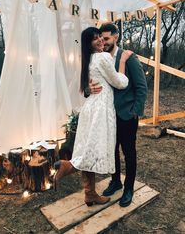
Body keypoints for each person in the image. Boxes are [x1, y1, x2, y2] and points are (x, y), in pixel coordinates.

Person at [53, 26, 132, 207]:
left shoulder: (87, 61)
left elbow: (89, 86)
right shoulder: (104, 57)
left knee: (87, 149)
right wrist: (123, 61)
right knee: (92, 152)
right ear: (88, 44)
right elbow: (120, 83)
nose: (100, 41)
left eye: (101, 37)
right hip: (100, 110)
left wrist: (89, 89)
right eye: (95, 38)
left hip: (89, 109)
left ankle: (90, 194)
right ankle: (68, 166)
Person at [89, 23, 147, 207]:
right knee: (111, 150)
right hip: (107, 116)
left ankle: (129, 188)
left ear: (116, 37)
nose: (103, 42)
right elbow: (93, 83)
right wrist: (88, 89)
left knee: (128, 152)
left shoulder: (128, 58)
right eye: (100, 38)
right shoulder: (99, 58)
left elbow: (141, 87)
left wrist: (135, 112)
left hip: (126, 115)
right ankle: (116, 181)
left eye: (106, 38)